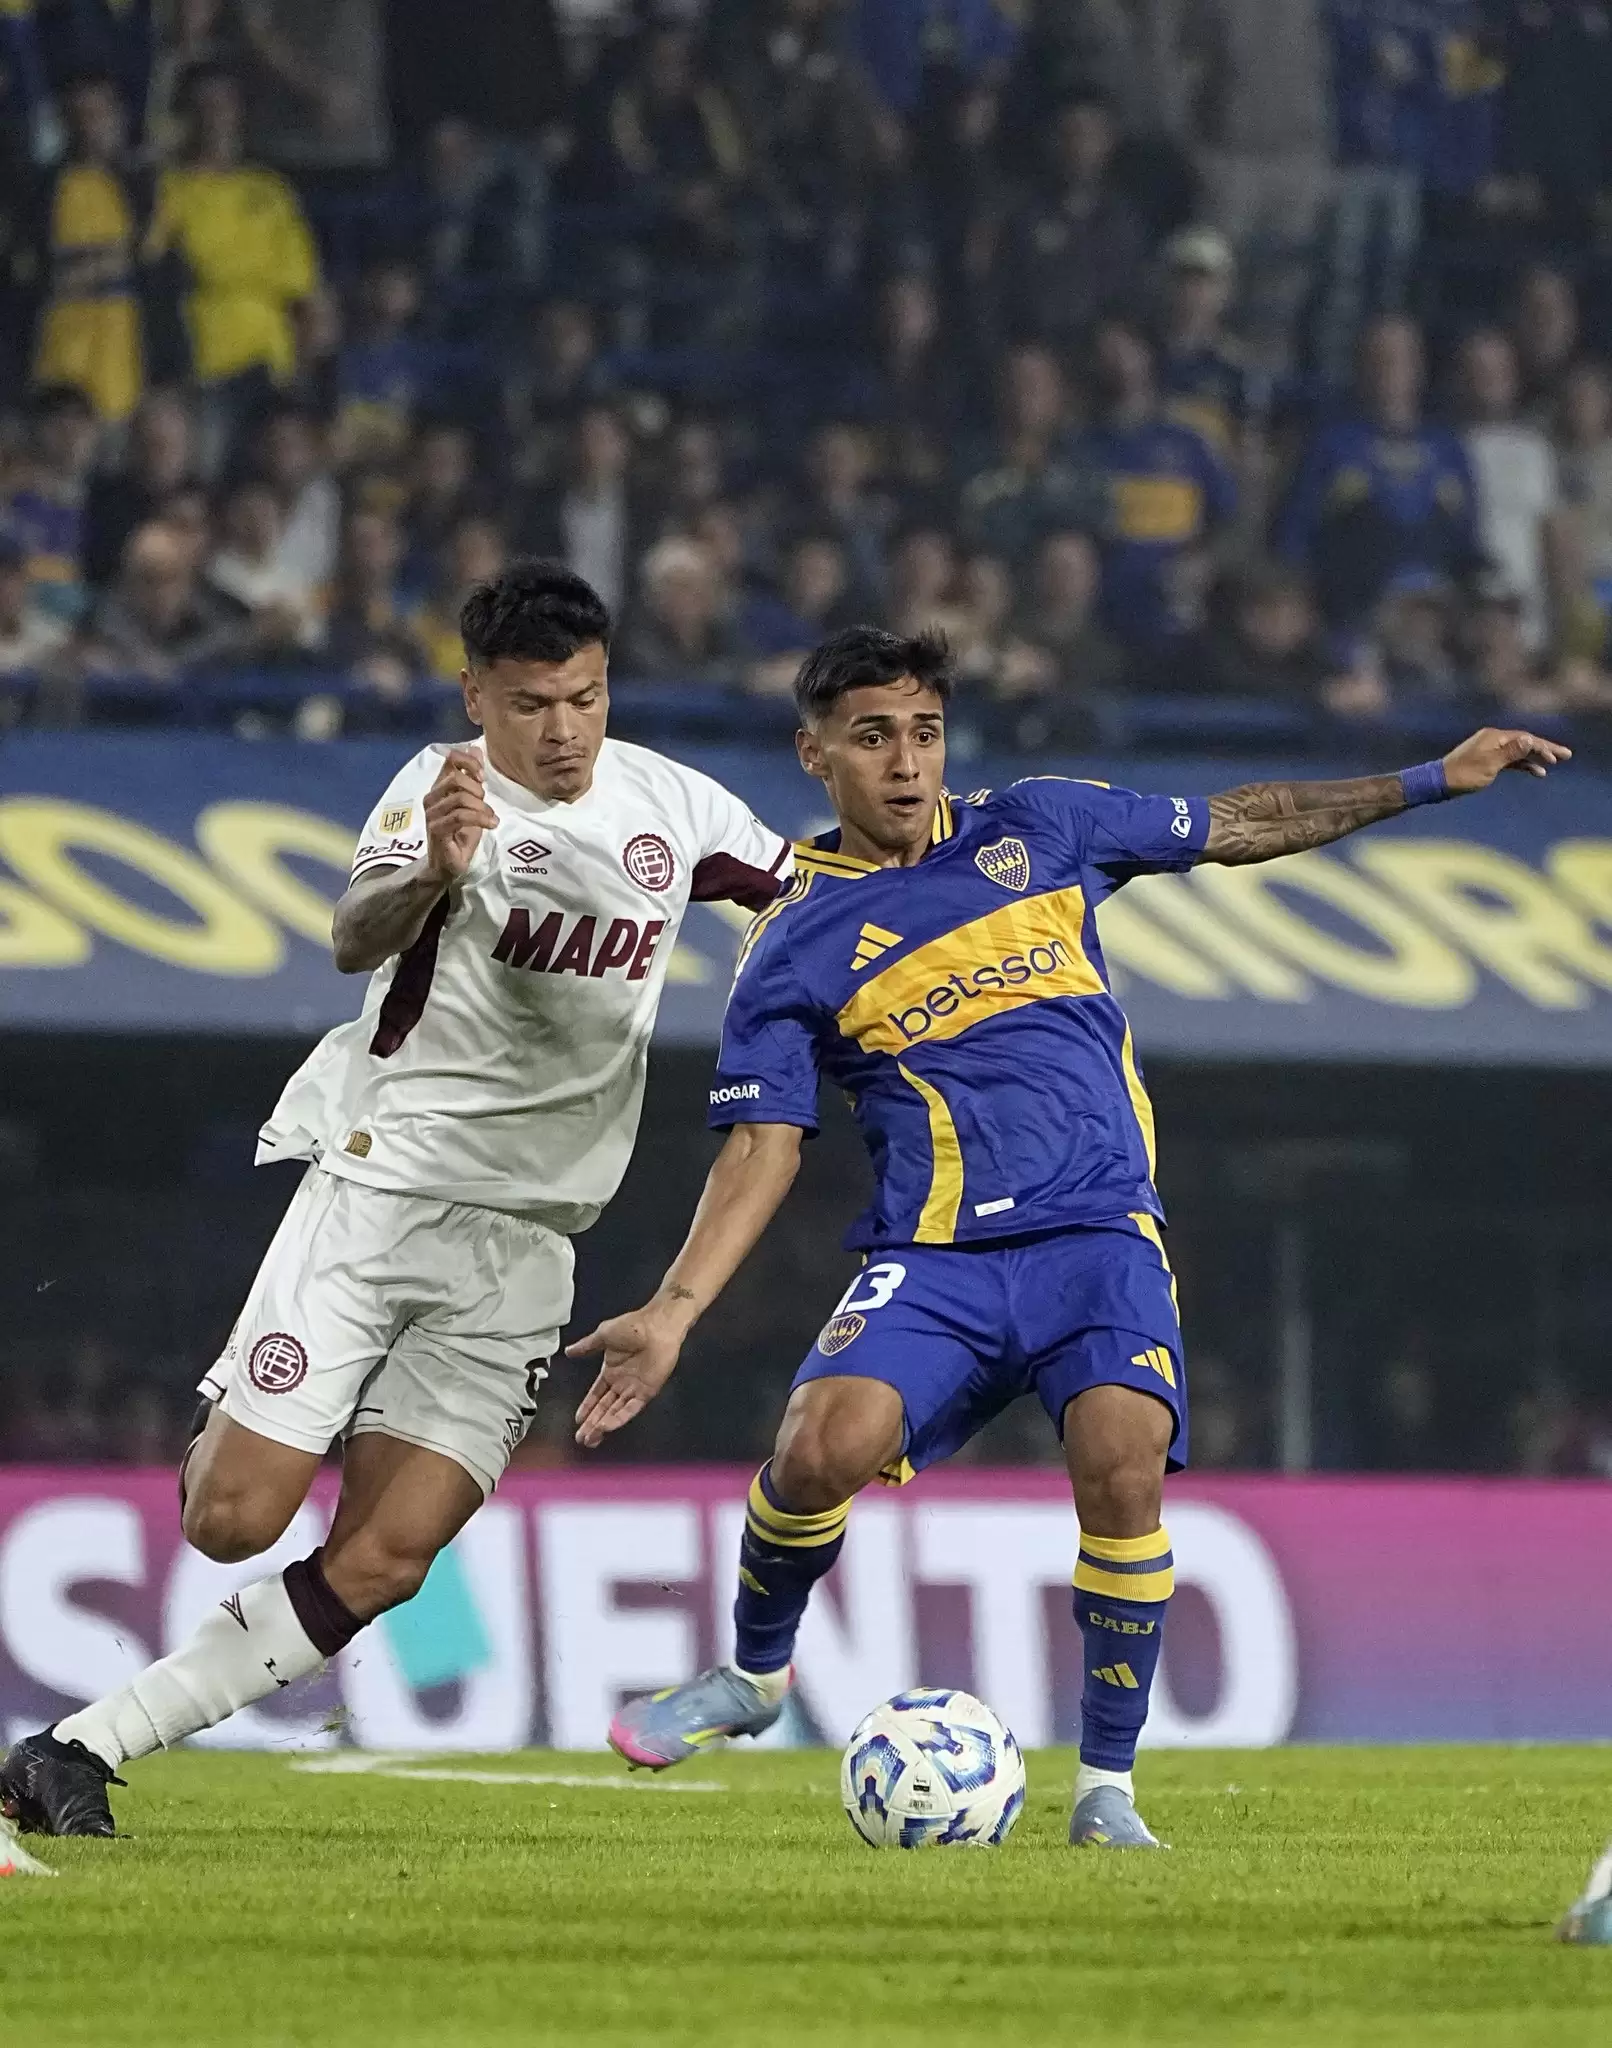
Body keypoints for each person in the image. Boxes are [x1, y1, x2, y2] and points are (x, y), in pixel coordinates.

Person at [568, 622, 1568, 1847]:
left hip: (1098, 1232)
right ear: (814, 753)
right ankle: (753, 1672)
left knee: (1122, 1460)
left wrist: (1428, 779)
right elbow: (761, 1144)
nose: (906, 761)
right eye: (873, 737)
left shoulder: (1040, 823)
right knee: (821, 1445)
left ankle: (1105, 1789)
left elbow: (1240, 819)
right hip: (937, 1254)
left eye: (924, 732)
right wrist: (673, 1309)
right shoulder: (791, 941)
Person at [0, 559, 793, 1838]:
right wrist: (433, 867)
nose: (564, 730)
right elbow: (353, 932)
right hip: (383, 1194)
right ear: (475, 694)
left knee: (387, 1554)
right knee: (231, 1518)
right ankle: (239, 1408)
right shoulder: (440, 788)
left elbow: (805, 891)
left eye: (585, 697)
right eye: (531, 703)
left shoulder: (673, 802)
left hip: (529, 1243)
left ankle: (73, 1750)